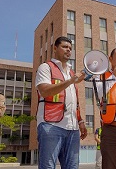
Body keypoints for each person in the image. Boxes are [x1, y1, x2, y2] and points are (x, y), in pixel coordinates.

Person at [35, 36, 87, 169]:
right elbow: (44, 91)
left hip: (73, 128)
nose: (68, 50)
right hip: (50, 125)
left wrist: (80, 121)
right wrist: (70, 81)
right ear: (55, 48)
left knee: (72, 166)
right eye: (65, 47)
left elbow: (74, 101)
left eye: (70, 48)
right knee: (48, 166)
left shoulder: (71, 72)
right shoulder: (45, 67)